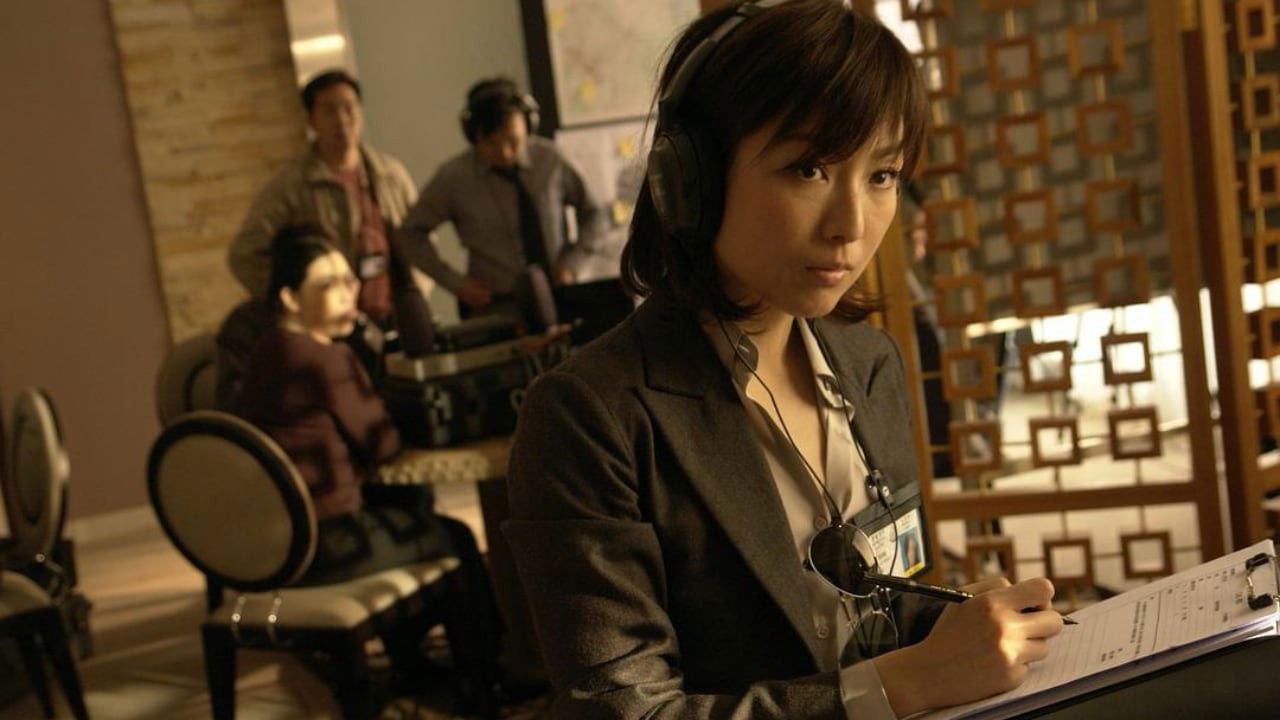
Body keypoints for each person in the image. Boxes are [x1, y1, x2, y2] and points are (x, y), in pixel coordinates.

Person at [504, 2, 1065, 718]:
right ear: (692, 179)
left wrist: (949, 625)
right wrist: (901, 685)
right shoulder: (590, 417)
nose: (851, 226)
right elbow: (630, 713)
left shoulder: (870, 363)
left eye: (883, 175)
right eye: (809, 168)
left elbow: (881, 603)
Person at [236, 225, 501, 712]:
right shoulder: (324, 357)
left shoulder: (266, 350)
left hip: (277, 543)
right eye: (329, 284)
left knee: (407, 506)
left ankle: (413, 666)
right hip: (327, 544)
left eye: (349, 280)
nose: (348, 292)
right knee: (456, 538)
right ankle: (486, 683)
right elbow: (384, 444)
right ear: (289, 297)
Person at [394, 77, 612, 317]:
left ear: (528, 125)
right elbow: (409, 233)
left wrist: (572, 264)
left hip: (560, 297)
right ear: (474, 137)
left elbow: (596, 214)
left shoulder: (551, 160)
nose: (505, 152)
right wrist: (456, 283)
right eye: (492, 143)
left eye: (513, 140)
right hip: (496, 308)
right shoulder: (453, 178)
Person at [228, 70, 422, 333]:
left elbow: (420, 240)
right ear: (311, 120)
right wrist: (300, 302)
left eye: (349, 108)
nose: (342, 120)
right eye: (329, 111)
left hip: (396, 316)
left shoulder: (389, 174)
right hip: (333, 326)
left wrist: (416, 293)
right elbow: (244, 256)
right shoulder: (292, 186)